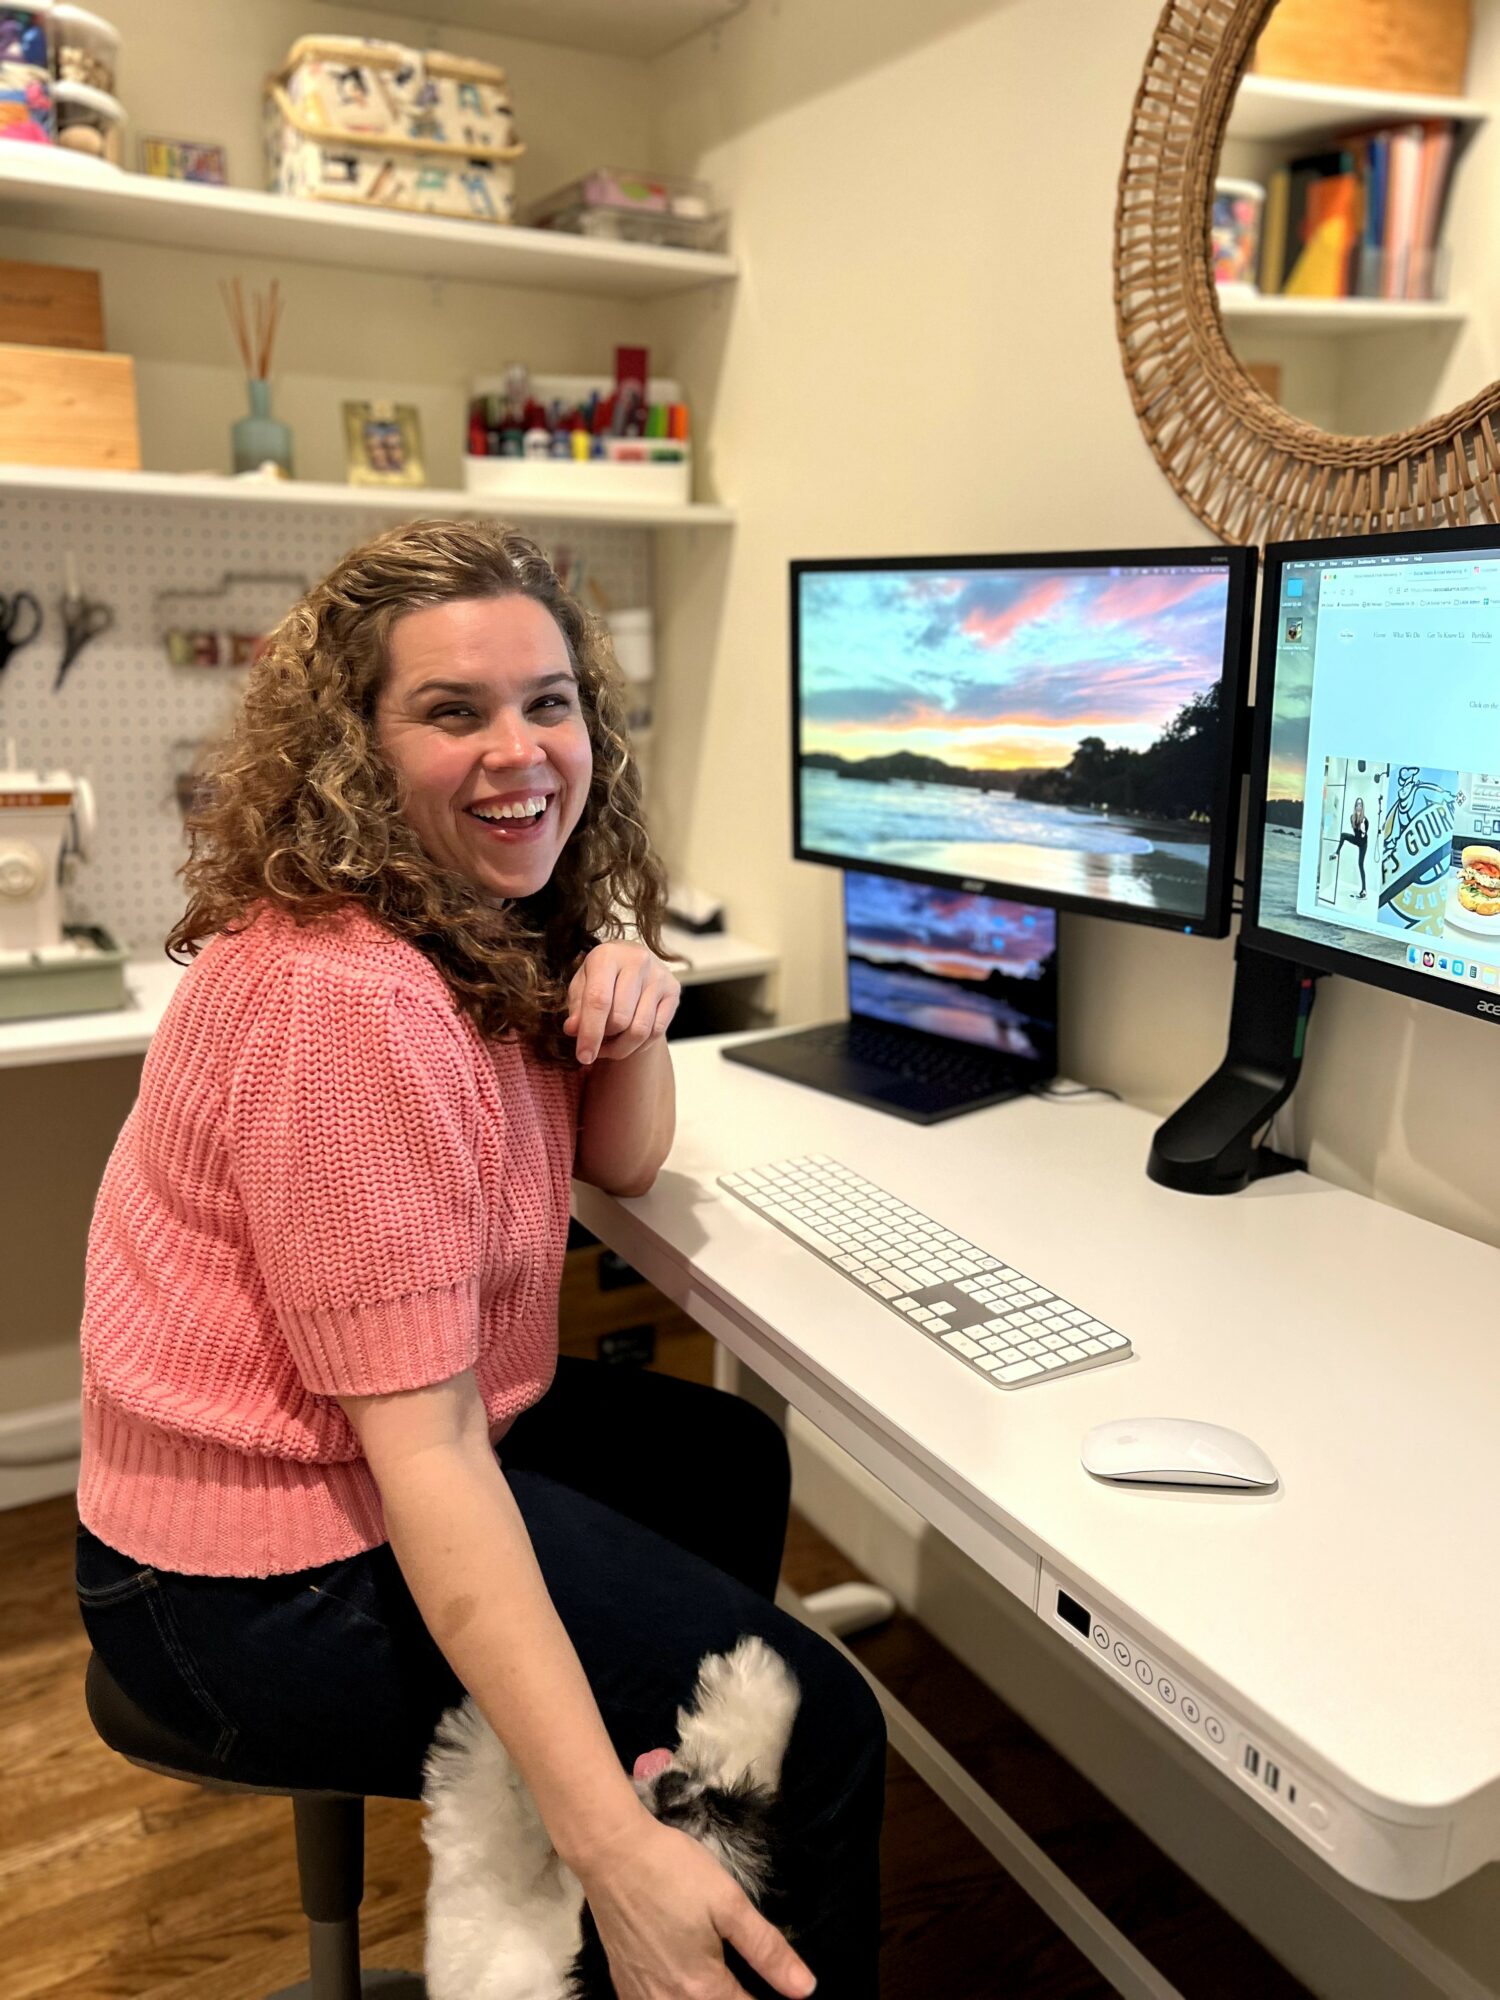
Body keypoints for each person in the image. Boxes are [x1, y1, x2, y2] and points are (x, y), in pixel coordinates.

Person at [74, 520, 886, 1999]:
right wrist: (605, 1846)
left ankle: (670, 1830)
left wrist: (632, 1007)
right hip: (232, 1582)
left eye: (549, 702)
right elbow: (431, 1452)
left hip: (359, 1461)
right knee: (819, 1723)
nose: (522, 750)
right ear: (358, 749)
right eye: (454, 712)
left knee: (723, 1462)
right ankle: (651, 1869)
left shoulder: (481, 919)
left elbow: (622, 1161)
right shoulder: (345, 998)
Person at [1335, 796, 1368, 898]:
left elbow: (1363, 834)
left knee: (1360, 864)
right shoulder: (1352, 817)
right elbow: (1355, 830)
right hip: (1356, 839)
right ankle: (1337, 853)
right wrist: (1357, 824)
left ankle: (1364, 889)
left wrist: (1363, 829)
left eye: (1360, 805)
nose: (1359, 806)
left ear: (1362, 807)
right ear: (1355, 806)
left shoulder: (1365, 820)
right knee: (1343, 835)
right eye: (1357, 804)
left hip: (1363, 843)